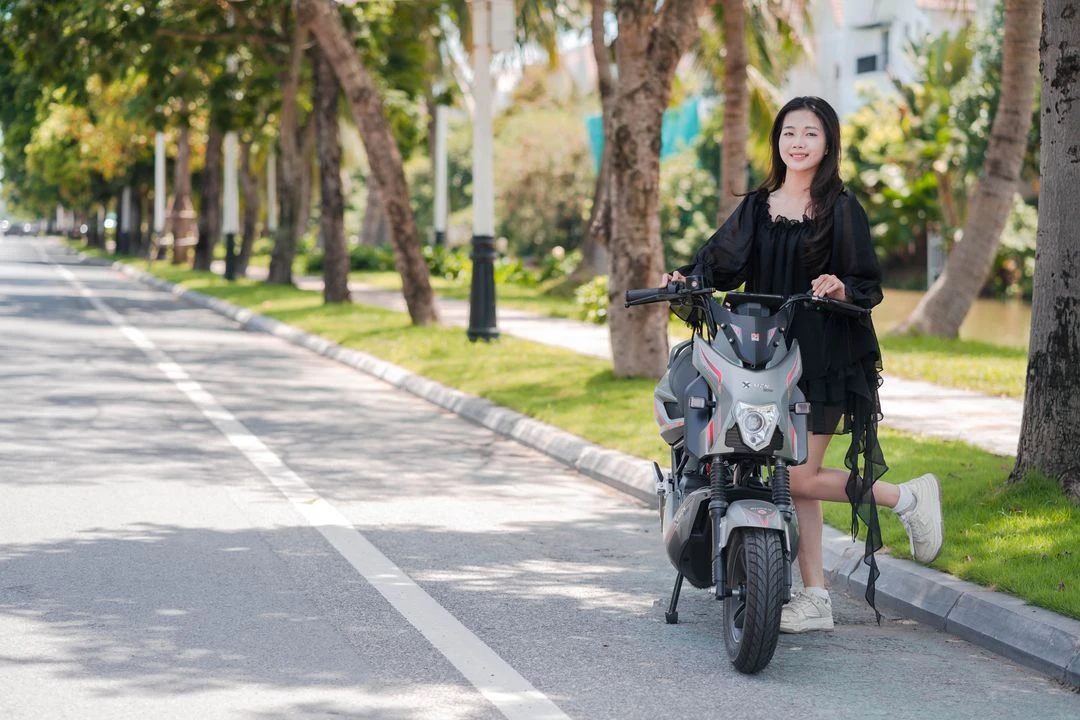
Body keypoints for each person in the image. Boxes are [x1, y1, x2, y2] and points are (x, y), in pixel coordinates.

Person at [661, 96, 944, 633]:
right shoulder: (759, 206)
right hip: (763, 353)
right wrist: (686, 280)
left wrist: (840, 285)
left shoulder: (841, 207)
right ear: (777, 141)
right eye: (789, 132)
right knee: (789, 479)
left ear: (828, 143)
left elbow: (866, 282)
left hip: (822, 356)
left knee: (797, 473)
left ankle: (906, 498)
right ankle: (815, 598)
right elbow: (719, 264)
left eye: (810, 133)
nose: (798, 142)